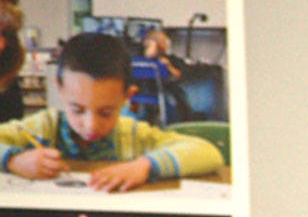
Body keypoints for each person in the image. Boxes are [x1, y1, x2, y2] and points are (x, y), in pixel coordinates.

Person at [0, 32, 223, 192]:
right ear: (60, 88)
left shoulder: (133, 135)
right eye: (77, 110)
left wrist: (145, 166)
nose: (91, 125)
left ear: (127, 96)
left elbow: (208, 153)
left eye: (105, 112)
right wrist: (13, 160)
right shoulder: (43, 127)